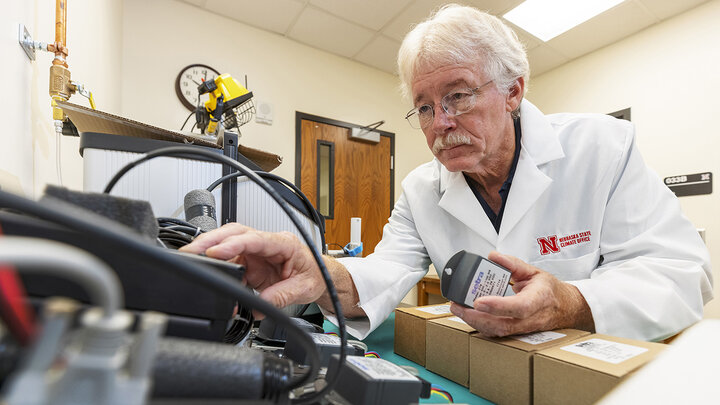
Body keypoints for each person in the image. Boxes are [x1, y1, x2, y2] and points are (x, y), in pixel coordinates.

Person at [182, 4, 713, 342]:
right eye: (426, 107)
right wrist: (315, 273)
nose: (441, 124)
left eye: (457, 95)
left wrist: (569, 302)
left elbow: (685, 274)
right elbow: (381, 275)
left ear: (513, 91)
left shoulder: (602, 146)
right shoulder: (420, 191)